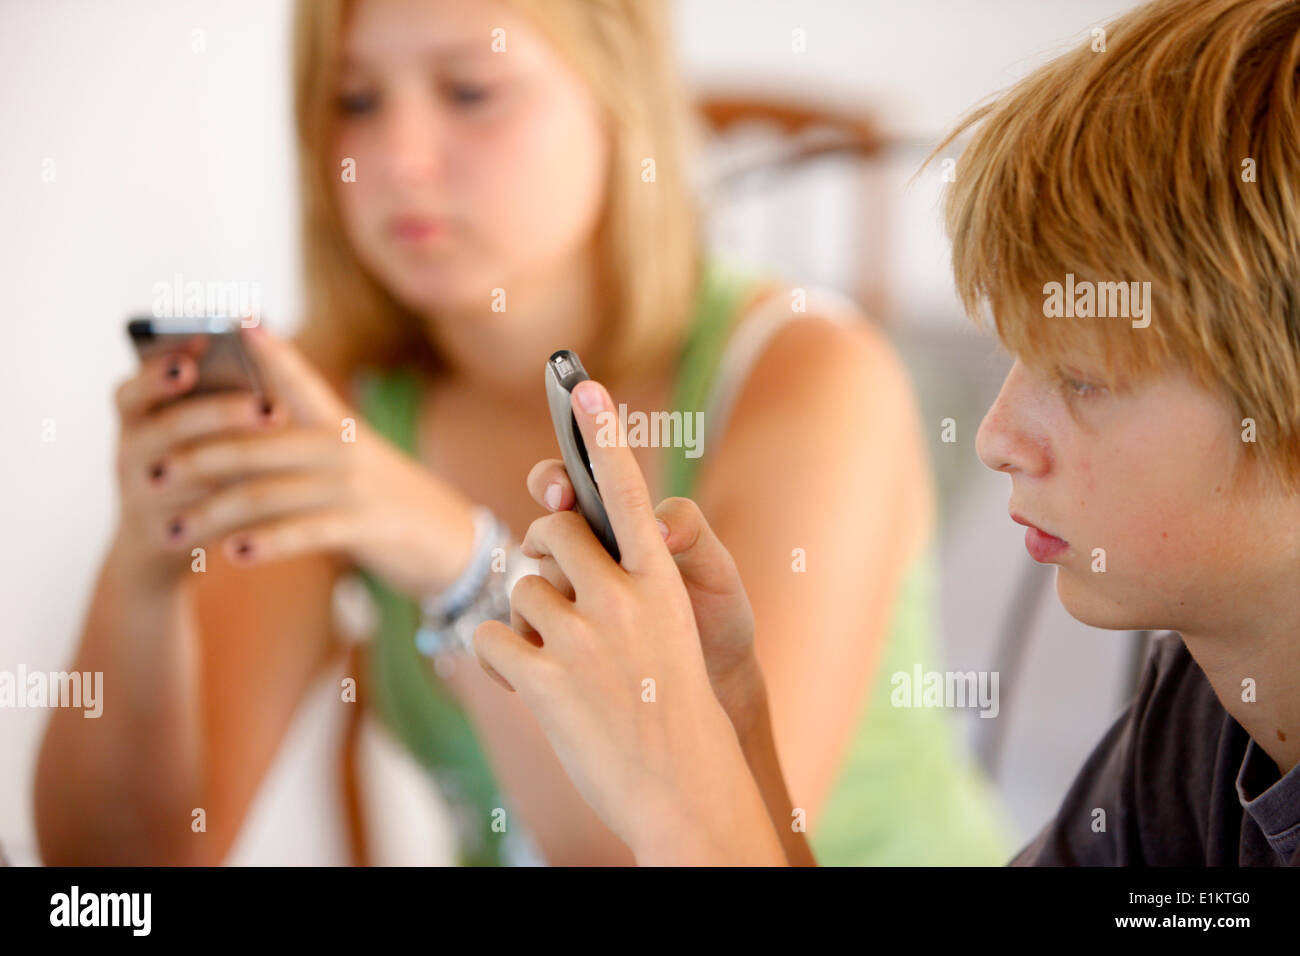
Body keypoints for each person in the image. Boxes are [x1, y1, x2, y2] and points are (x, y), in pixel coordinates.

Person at [33, 0, 1008, 865]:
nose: (396, 159)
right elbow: (120, 866)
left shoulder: (809, 376)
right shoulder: (339, 394)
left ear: (613, 94)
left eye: (469, 89)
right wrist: (147, 565)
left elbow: (687, 846)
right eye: (355, 100)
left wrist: (462, 562)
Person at [472, 0, 1300, 865]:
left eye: (1083, 380)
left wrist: (676, 800)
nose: (996, 437)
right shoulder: (1203, 716)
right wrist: (734, 726)